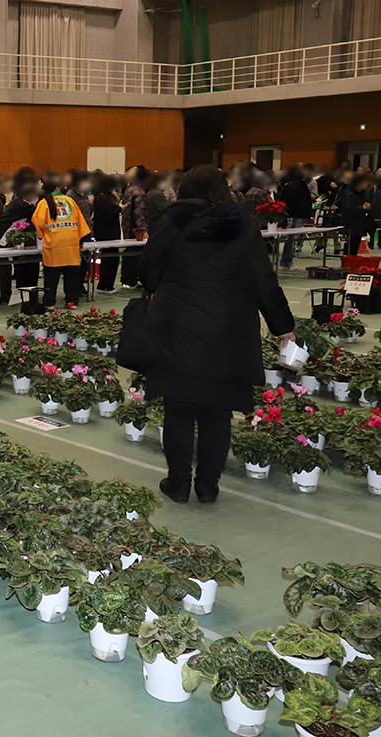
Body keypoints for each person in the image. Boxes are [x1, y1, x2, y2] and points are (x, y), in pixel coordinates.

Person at [138, 165, 295, 505]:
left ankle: (178, 482)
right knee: (218, 412)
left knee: (178, 409)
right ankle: (208, 485)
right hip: (228, 329)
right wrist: (284, 326)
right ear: (222, 190)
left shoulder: (169, 220)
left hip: (175, 326)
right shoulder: (244, 223)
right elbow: (262, 280)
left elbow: (148, 274)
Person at [0, 167, 41, 304]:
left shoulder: (23, 202)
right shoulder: (20, 204)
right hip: (0, 235)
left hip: (9, 236)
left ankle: (5, 295)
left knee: (6, 267)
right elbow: (33, 211)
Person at [32, 180, 90, 308]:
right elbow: (80, 220)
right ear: (58, 187)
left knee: (51, 275)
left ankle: (49, 303)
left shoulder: (43, 203)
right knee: (71, 274)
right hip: (71, 242)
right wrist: (80, 240)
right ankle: (72, 301)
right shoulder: (70, 201)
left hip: (54, 243)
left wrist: (43, 233)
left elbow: (38, 222)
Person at [277, 164, 313, 268]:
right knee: (292, 238)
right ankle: (287, 261)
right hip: (295, 214)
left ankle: (287, 260)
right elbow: (290, 200)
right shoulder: (294, 184)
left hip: (298, 214)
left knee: (293, 238)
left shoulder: (297, 183)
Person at [92, 175, 123, 295]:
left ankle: (107, 284)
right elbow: (107, 215)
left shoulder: (105, 196)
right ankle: (105, 285)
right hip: (106, 234)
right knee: (109, 260)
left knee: (111, 259)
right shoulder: (102, 198)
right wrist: (119, 208)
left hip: (110, 233)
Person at [338, 172, 371, 256]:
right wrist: (362, 208)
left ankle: (352, 262)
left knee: (355, 246)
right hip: (350, 224)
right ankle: (346, 262)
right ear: (358, 183)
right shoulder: (349, 194)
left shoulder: (362, 193)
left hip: (359, 224)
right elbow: (348, 209)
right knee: (350, 245)